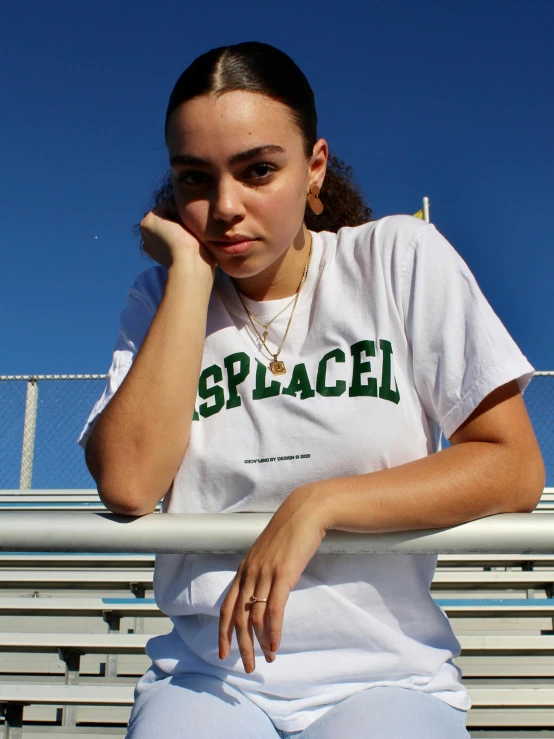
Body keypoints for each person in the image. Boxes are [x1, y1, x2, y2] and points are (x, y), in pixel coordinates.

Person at [78, 41, 545, 739]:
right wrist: (190, 276)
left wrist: (319, 503)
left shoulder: (395, 260)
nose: (225, 206)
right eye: (195, 179)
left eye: (258, 169)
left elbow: (512, 463)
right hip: (212, 676)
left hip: (385, 674)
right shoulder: (162, 297)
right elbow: (128, 483)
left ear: (314, 167)